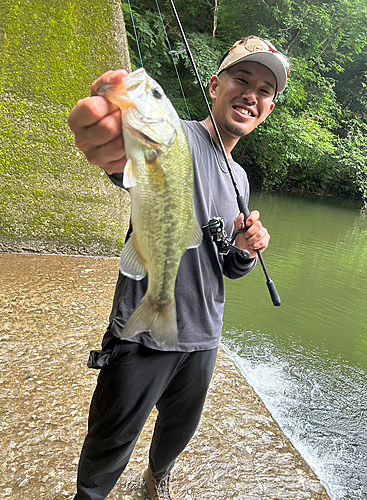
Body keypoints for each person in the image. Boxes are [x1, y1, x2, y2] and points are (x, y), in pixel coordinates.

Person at [68, 36, 290, 500]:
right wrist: (112, 134)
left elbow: (227, 264)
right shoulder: (172, 135)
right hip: (142, 331)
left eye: (265, 90)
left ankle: (157, 478)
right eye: (242, 79)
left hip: (204, 334)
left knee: (177, 433)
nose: (252, 94)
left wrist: (246, 251)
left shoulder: (242, 178)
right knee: (110, 440)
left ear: (268, 108)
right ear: (215, 85)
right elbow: (126, 158)